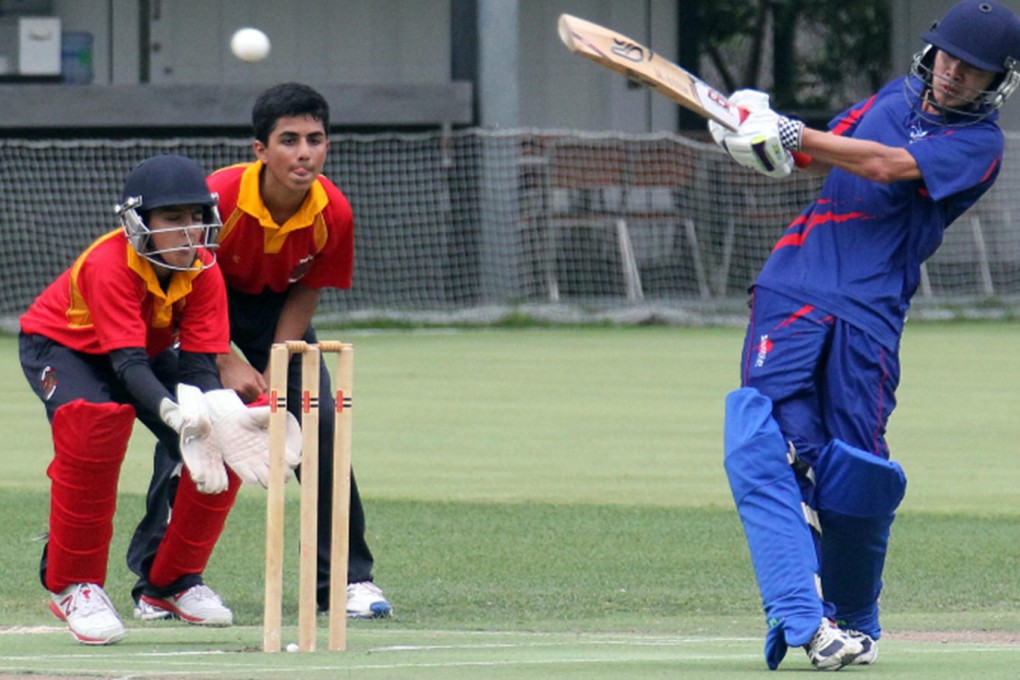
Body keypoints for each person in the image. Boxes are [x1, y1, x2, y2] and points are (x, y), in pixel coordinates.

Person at [709, 0, 1020, 671]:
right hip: (795, 284)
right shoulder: (888, 97)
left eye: (972, 70)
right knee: (764, 439)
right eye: (947, 58)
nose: (953, 74)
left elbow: (881, 165)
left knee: (853, 472)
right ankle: (804, 617)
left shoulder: (980, 146)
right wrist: (750, 137)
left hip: (870, 313)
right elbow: (811, 159)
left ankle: (853, 618)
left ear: (998, 80)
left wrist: (792, 133)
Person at [128, 82, 392, 620]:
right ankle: (163, 581)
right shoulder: (217, 197)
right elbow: (188, 278)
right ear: (260, 150)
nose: (303, 153)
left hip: (279, 319)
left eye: (314, 140)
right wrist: (224, 357)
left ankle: (346, 581)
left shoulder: (332, 211)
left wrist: (280, 359)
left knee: (319, 434)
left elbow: (308, 288)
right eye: (288, 140)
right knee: (197, 432)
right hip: (200, 311)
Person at [19, 154, 293, 644]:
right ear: (138, 223)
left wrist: (218, 415)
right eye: (172, 219)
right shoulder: (109, 264)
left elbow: (198, 367)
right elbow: (126, 368)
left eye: (195, 216)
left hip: (145, 351)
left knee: (224, 434)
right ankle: (73, 584)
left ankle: (170, 582)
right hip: (65, 348)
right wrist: (175, 416)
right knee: (95, 423)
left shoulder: (204, 268)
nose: (189, 231)